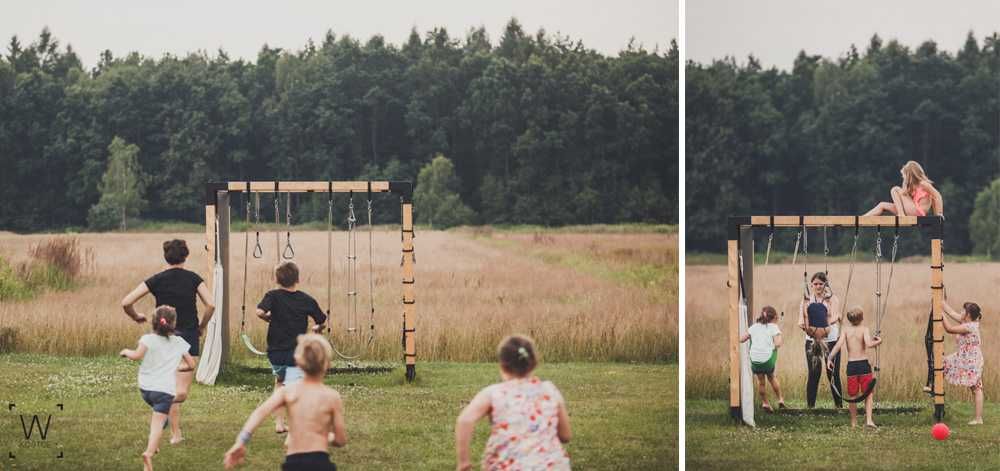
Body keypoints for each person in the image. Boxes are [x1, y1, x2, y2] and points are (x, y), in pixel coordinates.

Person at [121, 239, 215, 444]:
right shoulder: (193, 279)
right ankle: (165, 415)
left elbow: (126, 302)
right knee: (180, 393)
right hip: (188, 336)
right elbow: (211, 305)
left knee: (171, 389)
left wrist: (136, 316)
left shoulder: (157, 279)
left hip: (162, 338)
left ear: (166, 256)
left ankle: (174, 431)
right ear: (185, 256)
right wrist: (202, 326)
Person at [224, 334, 347, 470]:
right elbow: (340, 440)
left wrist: (241, 441)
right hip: (321, 463)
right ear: (328, 364)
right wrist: (325, 436)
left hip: (294, 462)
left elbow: (260, 412)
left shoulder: (288, 392)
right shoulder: (332, 397)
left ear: (297, 361)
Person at [455, 335, 571, 471]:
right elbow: (566, 436)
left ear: (502, 365)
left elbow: (465, 420)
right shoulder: (549, 390)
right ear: (534, 363)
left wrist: (464, 462)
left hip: (507, 466)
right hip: (551, 466)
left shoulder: (494, 393)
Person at [120, 306, 197, 471]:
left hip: (145, 389)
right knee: (157, 424)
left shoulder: (147, 339)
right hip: (164, 392)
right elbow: (191, 365)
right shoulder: (179, 342)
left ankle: (154, 446)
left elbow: (136, 356)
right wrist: (179, 368)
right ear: (173, 323)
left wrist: (126, 351)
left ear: (154, 323)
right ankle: (149, 453)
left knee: (160, 416)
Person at [256, 261, 327, 433]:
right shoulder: (306, 300)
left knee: (280, 383)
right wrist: (316, 329)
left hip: (275, 352)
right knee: (295, 388)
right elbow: (321, 321)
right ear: (298, 279)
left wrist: (268, 318)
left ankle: (280, 424)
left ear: (277, 280)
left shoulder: (272, 295)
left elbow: (259, 311)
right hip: (296, 353)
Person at [828, 308, 882, 428]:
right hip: (863, 365)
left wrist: (829, 358)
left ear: (849, 319)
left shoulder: (845, 330)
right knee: (868, 394)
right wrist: (878, 341)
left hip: (852, 366)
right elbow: (869, 344)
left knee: (852, 396)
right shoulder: (864, 329)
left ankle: (853, 423)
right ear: (862, 318)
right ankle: (868, 420)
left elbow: (838, 345)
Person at [797, 272, 843, 409]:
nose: (818, 286)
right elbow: (801, 321)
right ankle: (811, 406)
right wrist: (811, 330)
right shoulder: (806, 300)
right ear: (811, 285)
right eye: (815, 284)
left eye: (821, 284)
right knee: (814, 372)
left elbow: (835, 316)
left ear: (825, 285)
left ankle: (839, 405)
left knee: (833, 373)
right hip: (812, 340)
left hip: (831, 340)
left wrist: (822, 323)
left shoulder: (832, 299)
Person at [942, 300, 984, 425]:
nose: (960, 312)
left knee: (976, 388)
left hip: (971, 360)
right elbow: (951, 312)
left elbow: (949, 329)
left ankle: (978, 418)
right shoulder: (968, 322)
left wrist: (940, 314)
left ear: (968, 315)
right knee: (943, 364)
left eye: (963, 311)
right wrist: (940, 302)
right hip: (964, 358)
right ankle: (934, 385)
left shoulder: (969, 326)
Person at [740, 306, 786, 412]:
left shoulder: (754, 327)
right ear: (774, 317)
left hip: (755, 361)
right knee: (771, 377)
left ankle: (765, 402)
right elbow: (778, 344)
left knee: (761, 381)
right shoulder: (774, 327)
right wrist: (773, 345)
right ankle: (780, 399)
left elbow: (742, 339)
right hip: (768, 360)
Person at [864, 160, 943, 217]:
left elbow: (937, 196)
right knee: (882, 205)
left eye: (904, 175)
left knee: (895, 189)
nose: (903, 178)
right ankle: (860, 219)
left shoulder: (923, 184)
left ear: (909, 174)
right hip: (912, 211)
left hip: (918, 212)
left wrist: (939, 214)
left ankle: (901, 215)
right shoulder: (913, 187)